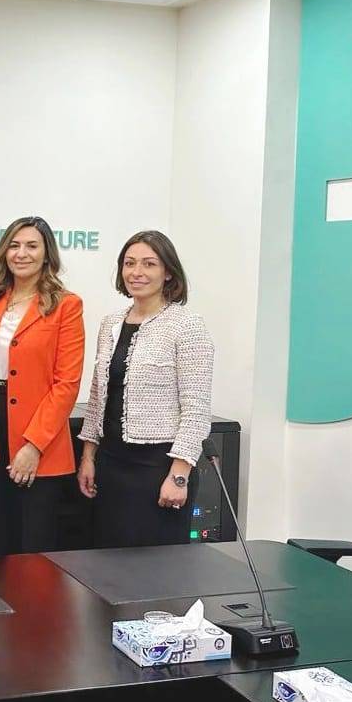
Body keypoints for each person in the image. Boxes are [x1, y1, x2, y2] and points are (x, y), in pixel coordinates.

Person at [0, 216, 85, 555]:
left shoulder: (66, 305)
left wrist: (34, 446)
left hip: (38, 436)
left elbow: (66, 384)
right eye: (14, 245)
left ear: (46, 253)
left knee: (33, 549)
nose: (21, 253)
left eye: (31, 246)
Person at [77, 230, 214, 548]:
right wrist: (88, 457)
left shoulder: (187, 325)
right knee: (108, 564)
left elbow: (196, 411)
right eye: (129, 263)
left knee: (154, 568)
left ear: (168, 272)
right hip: (111, 466)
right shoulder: (111, 323)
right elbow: (98, 398)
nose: (136, 272)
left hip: (159, 469)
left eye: (149, 264)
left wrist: (179, 476)